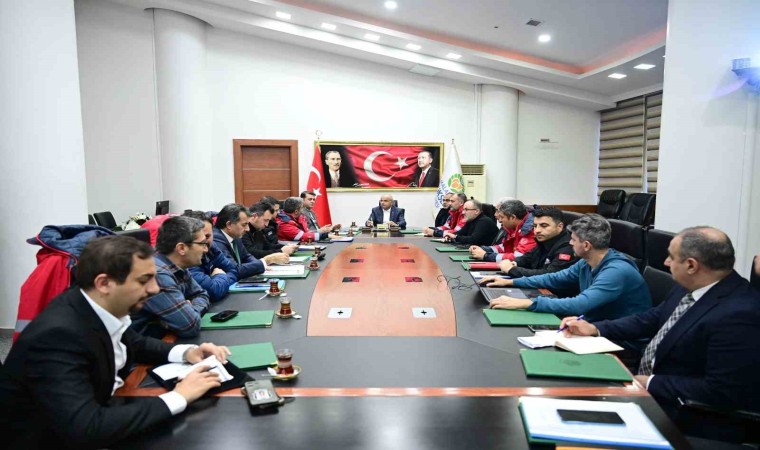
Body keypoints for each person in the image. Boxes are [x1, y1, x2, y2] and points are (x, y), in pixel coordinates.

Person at [0, 235, 230, 449]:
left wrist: (188, 352)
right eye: (144, 280)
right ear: (104, 283)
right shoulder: (57, 335)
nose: (155, 288)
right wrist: (180, 396)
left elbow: (136, 343)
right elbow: (86, 428)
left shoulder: (95, 304)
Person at [559, 227, 760, 442]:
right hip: (647, 387)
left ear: (691, 265)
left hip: (685, 416)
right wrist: (595, 328)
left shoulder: (739, 313)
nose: (665, 262)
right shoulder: (690, 286)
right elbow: (651, 319)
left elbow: (720, 390)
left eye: (671, 257)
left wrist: (649, 382)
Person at [480, 213, 651, 326]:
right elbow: (554, 278)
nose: (570, 243)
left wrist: (525, 303)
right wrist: (510, 282)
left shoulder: (616, 271)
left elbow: (580, 304)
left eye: (573, 240)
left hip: (618, 340)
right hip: (592, 325)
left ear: (586, 245)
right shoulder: (586, 261)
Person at [130, 216, 211, 338]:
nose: (206, 249)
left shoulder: (176, 265)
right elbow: (190, 325)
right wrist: (189, 310)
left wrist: (191, 309)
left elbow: (201, 294)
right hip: (147, 346)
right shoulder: (158, 274)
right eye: (202, 244)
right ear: (181, 248)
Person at [496, 206, 579, 297]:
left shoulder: (568, 247)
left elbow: (550, 275)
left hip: (557, 297)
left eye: (544, 226)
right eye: (535, 226)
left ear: (560, 226)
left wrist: (512, 270)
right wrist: (514, 263)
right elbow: (527, 258)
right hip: (539, 290)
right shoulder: (545, 240)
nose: (537, 230)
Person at [183, 210, 240, 302]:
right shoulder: (187, 259)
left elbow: (234, 271)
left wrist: (216, 281)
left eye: (207, 236)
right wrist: (220, 275)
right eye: (200, 240)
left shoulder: (212, 247)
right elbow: (213, 291)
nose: (205, 244)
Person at [470, 199, 536, 262]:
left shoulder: (530, 230)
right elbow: (505, 247)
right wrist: (484, 249)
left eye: (502, 217)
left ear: (512, 218)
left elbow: (519, 258)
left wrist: (486, 256)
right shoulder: (513, 227)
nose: (500, 220)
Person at [212, 203, 266, 278]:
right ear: (229, 225)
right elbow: (234, 269)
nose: (248, 229)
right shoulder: (216, 239)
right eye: (244, 225)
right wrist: (264, 262)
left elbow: (247, 256)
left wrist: (259, 264)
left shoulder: (235, 236)